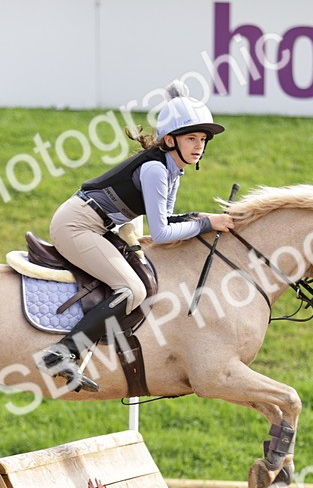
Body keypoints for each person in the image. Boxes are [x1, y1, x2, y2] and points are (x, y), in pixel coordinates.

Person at [39, 82, 234, 391]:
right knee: (132, 290)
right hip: (76, 225)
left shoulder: (173, 168)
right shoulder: (157, 170)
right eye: (191, 138)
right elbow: (161, 233)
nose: (199, 146)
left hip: (96, 224)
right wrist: (206, 223)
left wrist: (202, 219)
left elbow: (167, 220)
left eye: (202, 139)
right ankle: (62, 353)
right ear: (170, 140)